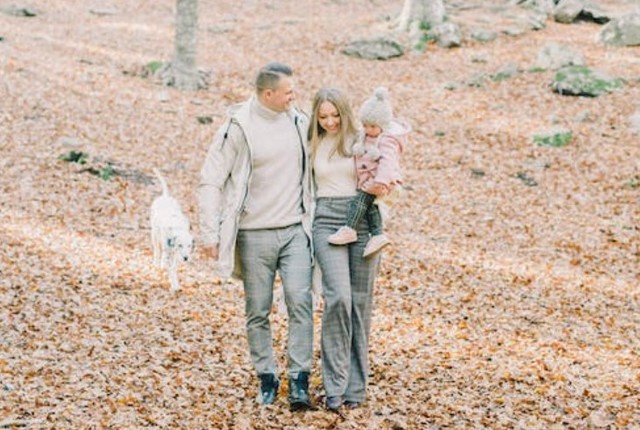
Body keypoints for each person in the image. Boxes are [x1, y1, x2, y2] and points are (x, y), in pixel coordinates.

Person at [197, 62, 314, 410]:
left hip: (295, 230)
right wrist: (209, 232)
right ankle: (267, 376)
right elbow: (211, 180)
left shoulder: (299, 121)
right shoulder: (238, 127)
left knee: (300, 302)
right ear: (267, 94)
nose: (293, 96)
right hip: (253, 235)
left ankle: (299, 380)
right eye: (287, 92)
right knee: (257, 310)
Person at [308, 87, 381, 411]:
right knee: (338, 297)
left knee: (360, 304)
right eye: (323, 116)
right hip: (326, 220)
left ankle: (355, 387)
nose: (330, 122)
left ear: (345, 112)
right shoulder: (312, 141)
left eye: (335, 115)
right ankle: (334, 385)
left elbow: (386, 161)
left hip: (361, 219)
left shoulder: (359, 139)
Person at [327, 87, 410, 258]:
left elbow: (388, 163)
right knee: (371, 206)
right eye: (365, 125)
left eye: (372, 126)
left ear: (383, 125)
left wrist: (380, 182)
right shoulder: (365, 136)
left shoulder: (387, 141)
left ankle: (350, 228)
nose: (368, 129)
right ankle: (378, 235)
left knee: (360, 201)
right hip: (371, 180)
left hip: (382, 182)